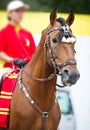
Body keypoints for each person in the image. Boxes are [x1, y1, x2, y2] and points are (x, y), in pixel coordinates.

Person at [0, 0, 36, 69]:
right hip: (10, 69)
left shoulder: (27, 33)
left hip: (28, 70)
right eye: (17, 11)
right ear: (9, 13)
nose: (20, 13)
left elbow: (34, 54)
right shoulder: (3, 32)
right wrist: (14, 60)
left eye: (22, 11)